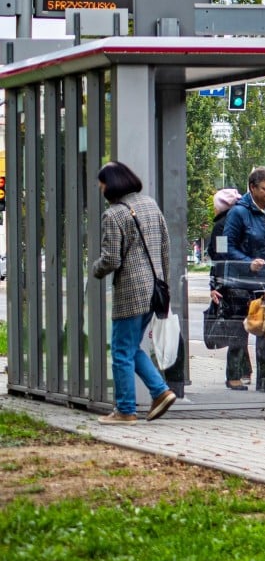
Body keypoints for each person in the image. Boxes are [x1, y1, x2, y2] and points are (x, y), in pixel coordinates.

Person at [90, 161, 178, 425]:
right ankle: (161, 391)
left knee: (119, 351)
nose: (101, 189)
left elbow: (111, 260)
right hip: (154, 288)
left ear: (112, 183)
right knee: (131, 348)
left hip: (131, 291)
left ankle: (125, 410)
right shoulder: (150, 205)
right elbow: (165, 247)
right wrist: (165, 284)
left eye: (102, 184)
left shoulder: (114, 214)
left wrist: (94, 269)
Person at [225, 167, 265, 393]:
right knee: (241, 329)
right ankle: (234, 375)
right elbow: (227, 246)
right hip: (242, 282)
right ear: (252, 188)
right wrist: (247, 261)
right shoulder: (238, 213)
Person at [207, 187, 251, 390]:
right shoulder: (244, 219)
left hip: (232, 283)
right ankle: (246, 371)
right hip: (248, 280)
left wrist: (215, 285)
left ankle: (236, 374)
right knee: (244, 328)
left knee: (236, 328)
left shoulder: (222, 226)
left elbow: (220, 257)